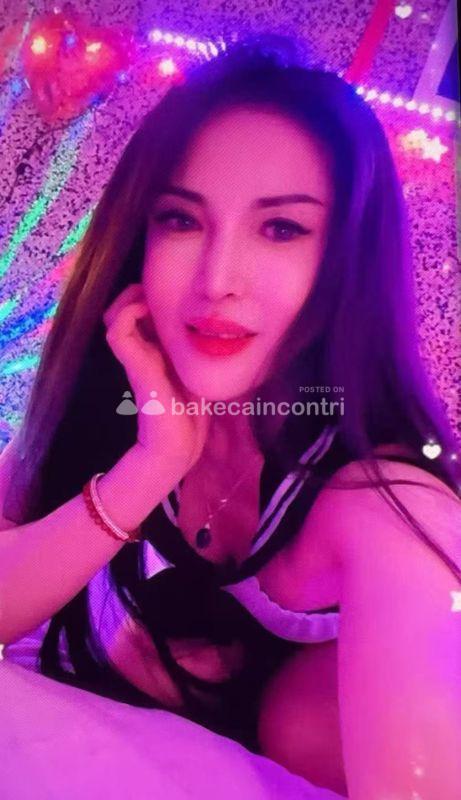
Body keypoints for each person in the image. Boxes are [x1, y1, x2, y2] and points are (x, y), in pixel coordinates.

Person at [1, 32, 461, 799]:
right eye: (180, 220)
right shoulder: (112, 403)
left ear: (343, 263)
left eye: (280, 228)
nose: (217, 280)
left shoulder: (385, 508)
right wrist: (152, 464)